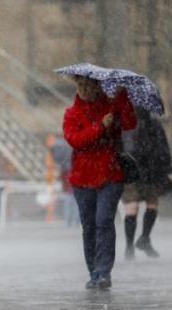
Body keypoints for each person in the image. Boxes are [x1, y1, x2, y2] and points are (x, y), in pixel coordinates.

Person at [62, 75, 136, 290]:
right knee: (89, 226)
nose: (84, 89)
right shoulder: (71, 113)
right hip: (82, 179)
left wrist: (123, 97)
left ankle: (103, 272)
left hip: (110, 175)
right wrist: (100, 127)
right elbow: (76, 140)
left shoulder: (111, 106)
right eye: (80, 85)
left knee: (104, 221)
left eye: (89, 84)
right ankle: (93, 271)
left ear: (98, 86)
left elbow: (130, 122)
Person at [121, 107, 171, 260]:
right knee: (136, 206)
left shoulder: (148, 123)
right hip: (139, 171)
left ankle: (141, 241)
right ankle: (134, 244)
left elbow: (162, 147)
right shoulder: (131, 123)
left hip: (146, 170)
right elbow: (162, 147)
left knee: (147, 205)